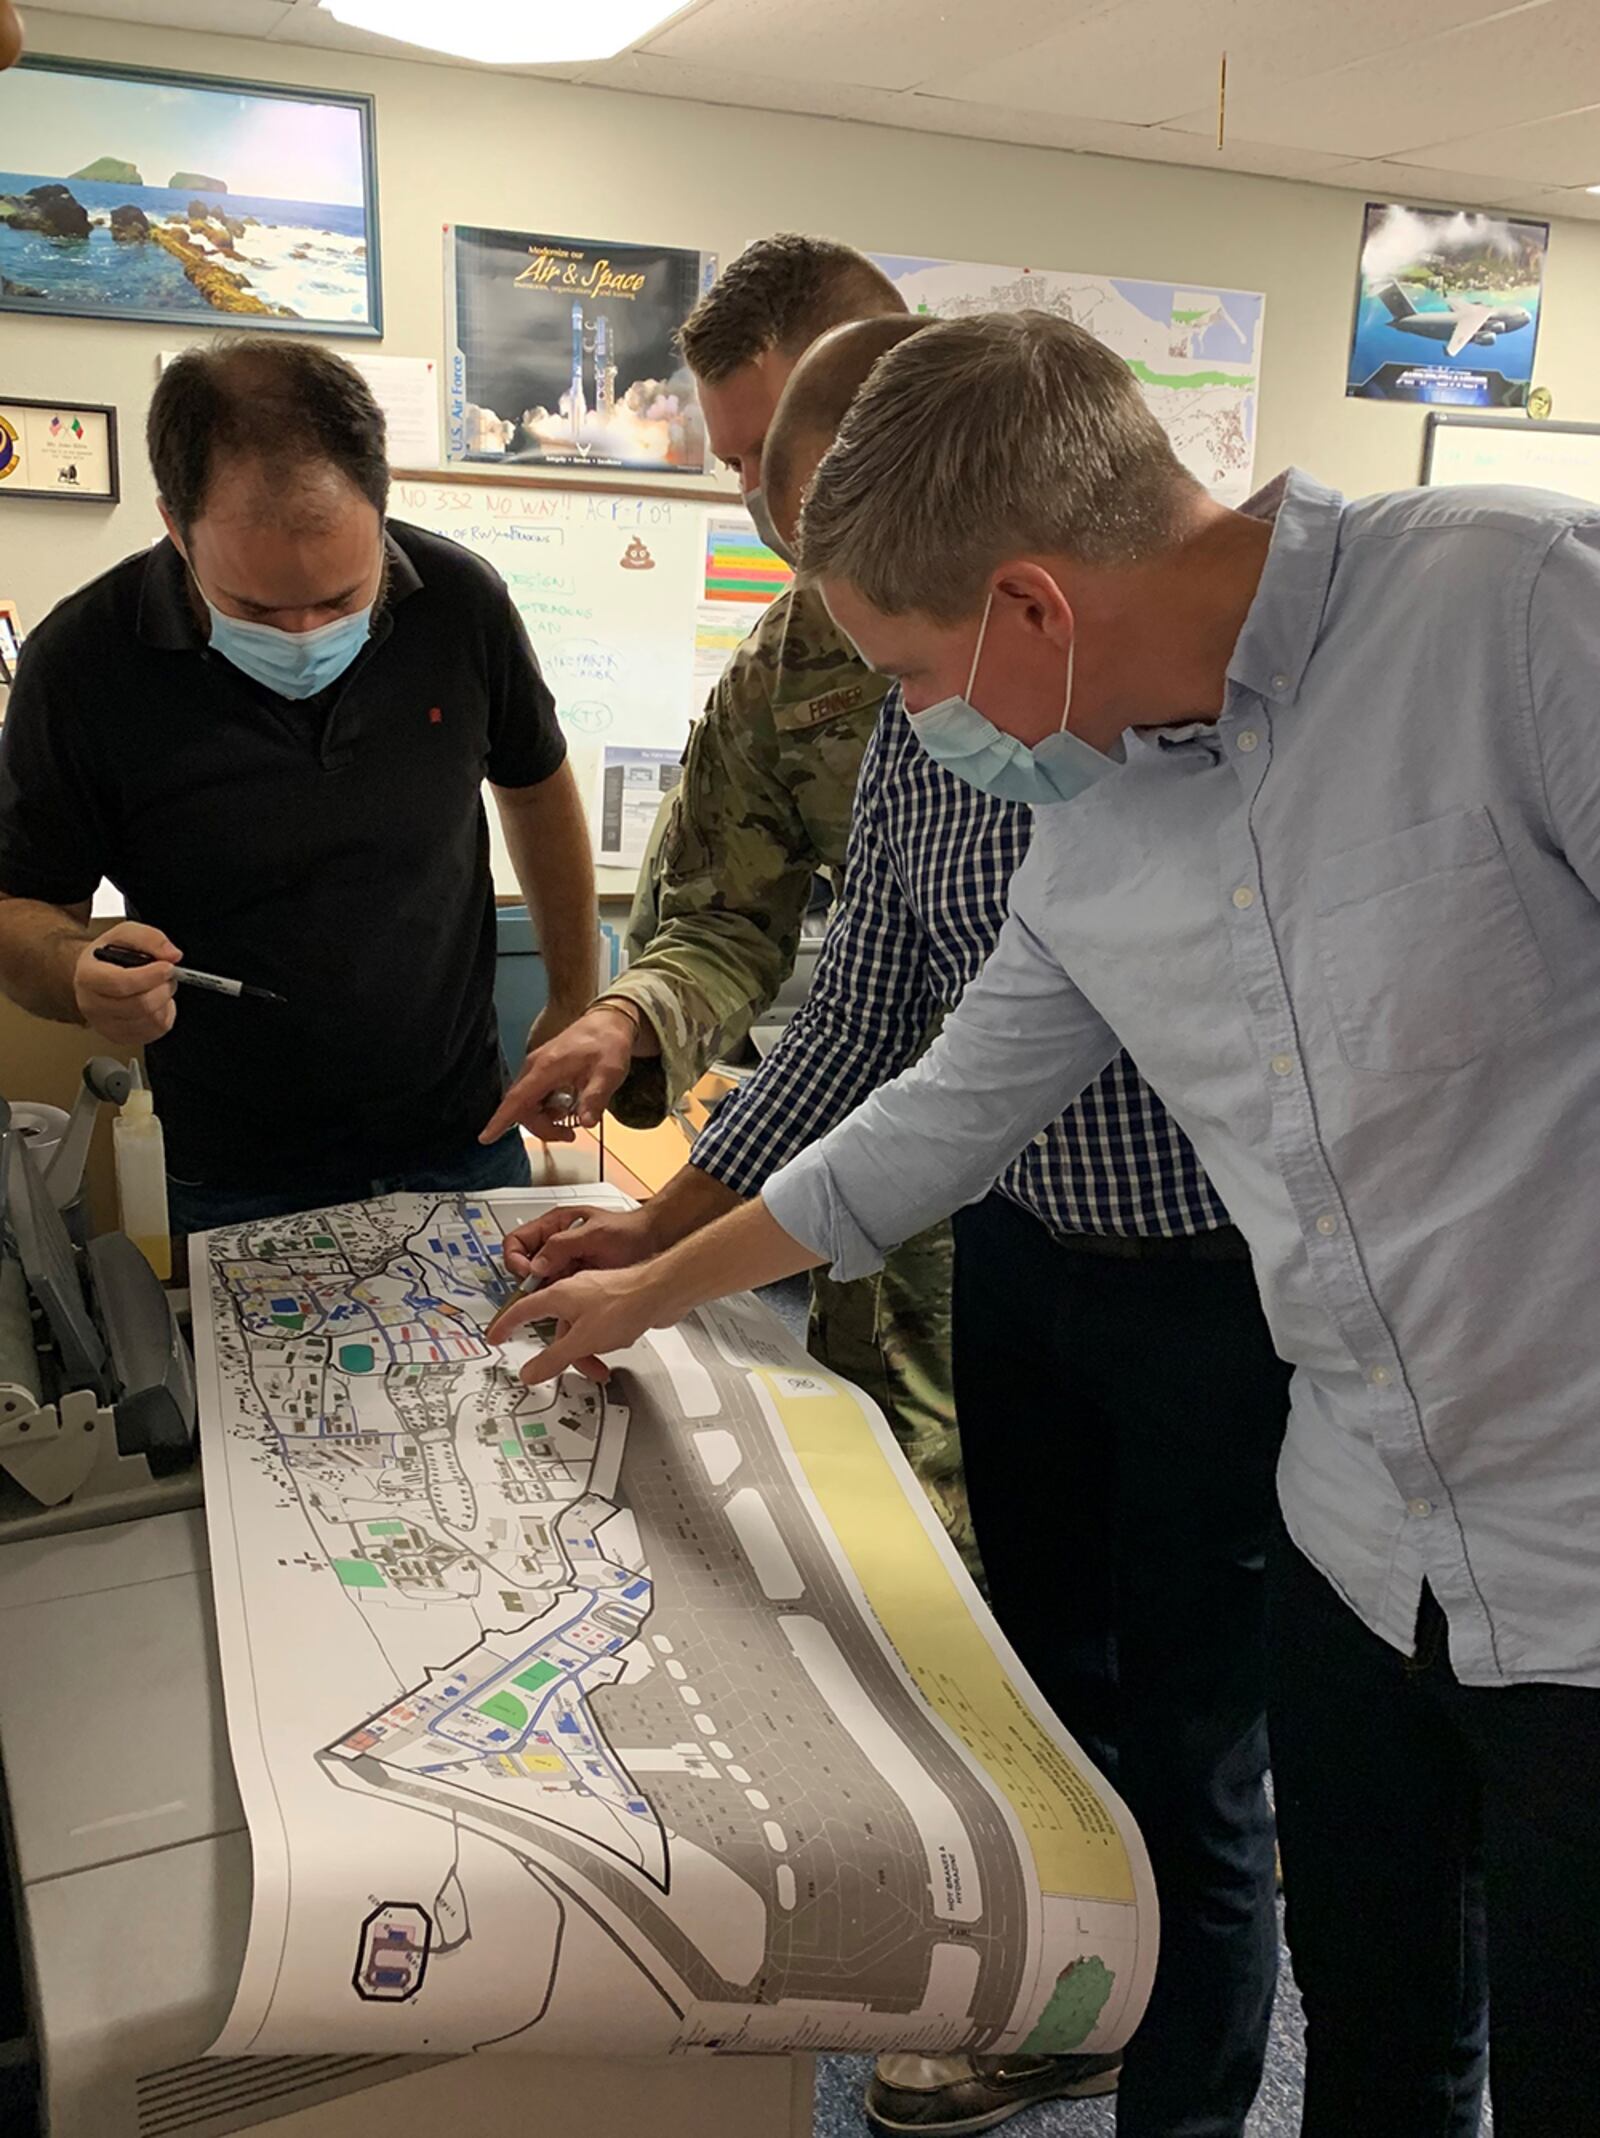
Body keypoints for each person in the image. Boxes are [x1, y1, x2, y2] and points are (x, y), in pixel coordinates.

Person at [491, 309, 1600, 2137]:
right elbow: (933, 1110)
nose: (920, 726)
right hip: (1361, 1542)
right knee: (1386, 2031)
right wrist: (660, 1274)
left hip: (1574, 1565)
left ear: (1031, 607)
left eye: (913, 672)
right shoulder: (1104, 813)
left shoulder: (1515, 614)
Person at [482, 236, 975, 1569]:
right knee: (907, 1547)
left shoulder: (1076, 646)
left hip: (1104, 1239)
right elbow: (736, 927)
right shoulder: (795, 661)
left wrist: (665, 1240)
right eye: (736, 463)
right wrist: (627, 1022)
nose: (758, 499)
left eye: (773, 456)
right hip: (862, 1208)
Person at [0, 337, 596, 1233]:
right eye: (256, 610)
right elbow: (20, 910)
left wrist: (571, 995)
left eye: (343, 597)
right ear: (174, 523)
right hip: (236, 1168)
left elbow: (537, 787)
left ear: (380, 505)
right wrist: (75, 974)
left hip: (459, 1132)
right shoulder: (82, 663)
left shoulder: (460, 605)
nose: (306, 633)